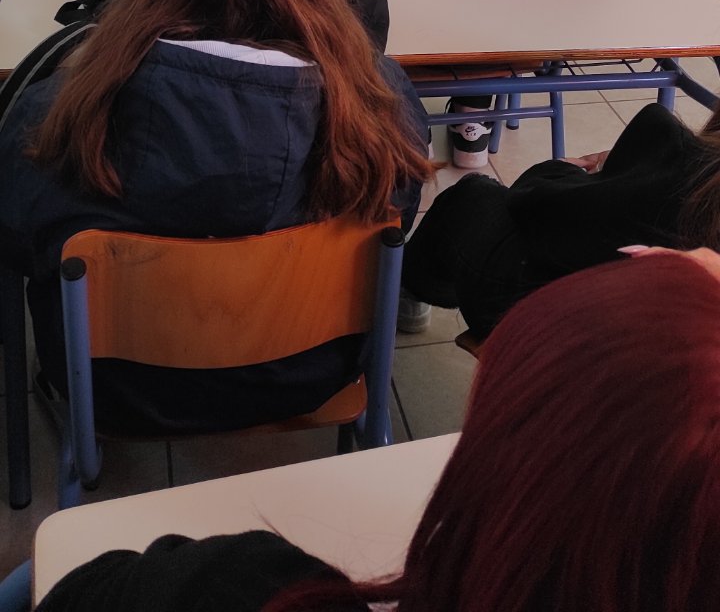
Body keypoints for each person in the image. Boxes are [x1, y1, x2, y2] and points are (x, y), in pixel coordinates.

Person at [0, 0, 430, 434]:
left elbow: (17, 242)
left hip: (112, 391)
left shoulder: (60, 112)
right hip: (312, 376)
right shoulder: (382, 102)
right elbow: (397, 213)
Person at [35, 251, 720, 611]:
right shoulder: (376, 112)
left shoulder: (249, 590)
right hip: (318, 380)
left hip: (117, 389)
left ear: (514, 471)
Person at [401, 94, 720, 340]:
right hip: (646, 367)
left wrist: (561, 170)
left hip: (545, 326)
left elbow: (537, 205)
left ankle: (407, 293)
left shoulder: (678, 161)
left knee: (473, 194)